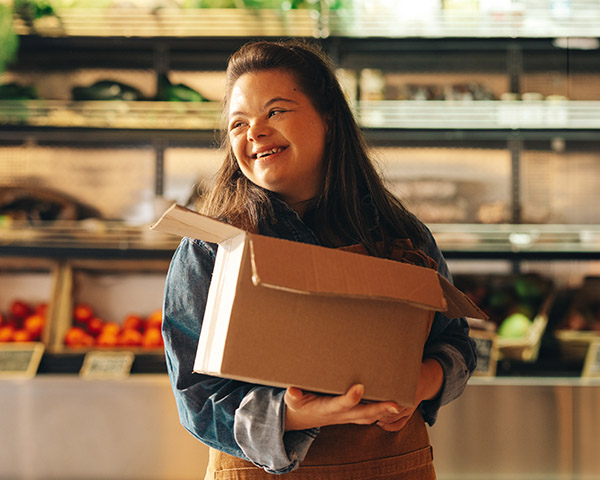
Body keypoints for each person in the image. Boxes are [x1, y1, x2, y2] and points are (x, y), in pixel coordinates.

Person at [162, 39, 477, 479]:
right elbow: (195, 398)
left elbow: (456, 345)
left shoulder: (399, 235)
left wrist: (418, 384)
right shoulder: (211, 248)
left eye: (275, 111)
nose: (254, 132)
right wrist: (294, 415)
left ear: (328, 117)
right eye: (238, 123)